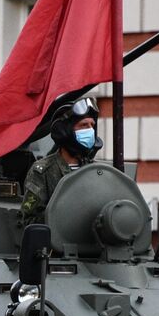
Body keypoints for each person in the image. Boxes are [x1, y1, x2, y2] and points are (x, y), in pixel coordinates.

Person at [18, 97, 103, 227]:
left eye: (92, 125)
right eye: (84, 125)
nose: (90, 131)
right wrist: (64, 214)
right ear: (64, 131)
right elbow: (29, 220)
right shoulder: (42, 171)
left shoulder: (97, 171)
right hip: (58, 246)